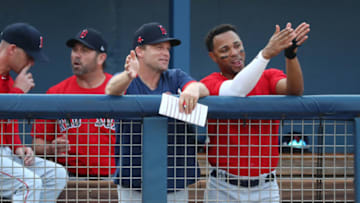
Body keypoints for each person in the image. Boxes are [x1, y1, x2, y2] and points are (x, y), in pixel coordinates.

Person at [200, 22, 310, 202]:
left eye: (237, 45)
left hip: (265, 186)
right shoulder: (210, 82)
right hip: (223, 186)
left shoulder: (268, 76)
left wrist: (290, 55)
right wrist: (266, 53)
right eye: (225, 49)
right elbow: (237, 89)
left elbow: (294, 90)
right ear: (213, 56)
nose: (234, 52)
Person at [106, 22, 209, 203]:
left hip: (174, 180)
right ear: (140, 52)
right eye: (158, 47)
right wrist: (128, 75)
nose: (165, 53)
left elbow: (201, 87)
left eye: (167, 49)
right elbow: (111, 89)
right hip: (134, 182)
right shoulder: (127, 81)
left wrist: (193, 90)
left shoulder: (175, 76)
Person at [32, 28, 116, 178]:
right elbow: (37, 143)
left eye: (84, 50)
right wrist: (51, 148)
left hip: (114, 178)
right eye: (75, 50)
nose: (77, 55)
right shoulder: (56, 92)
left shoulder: (119, 89)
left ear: (101, 58)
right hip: (70, 178)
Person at [0, 22, 67, 203]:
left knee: (56, 174)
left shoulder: (7, 78)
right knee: (29, 183)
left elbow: (7, 120)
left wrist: (18, 147)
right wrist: (18, 93)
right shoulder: (13, 84)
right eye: (29, 56)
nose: (32, 63)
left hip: (5, 153)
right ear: (12, 49)